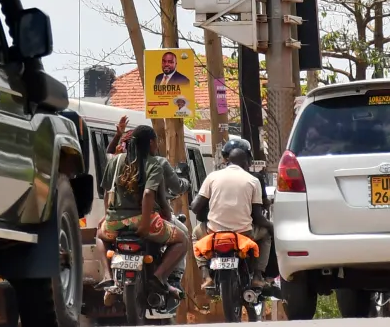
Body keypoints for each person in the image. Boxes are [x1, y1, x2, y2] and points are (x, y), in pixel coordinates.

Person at [102, 123, 188, 311]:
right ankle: (159, 277)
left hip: (115, 222)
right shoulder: (155, 164)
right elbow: (150, 195)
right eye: (156, 141)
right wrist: (144, 222)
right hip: (145, 221)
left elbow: (107, 192)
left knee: (100, 237)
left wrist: (108, 216)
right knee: (183, 240)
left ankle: (108, 277)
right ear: (151, 143)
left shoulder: (115, 162)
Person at [194, 136, 271, 275]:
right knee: (266, 235)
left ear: (226, 160)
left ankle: (205, 275)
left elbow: (195, 207)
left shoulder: (212, 177)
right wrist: (271, 226)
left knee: (195, 234)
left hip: (214, 231)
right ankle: (258, 275)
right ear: (246, 161)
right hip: (243, 232)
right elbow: (258, 217)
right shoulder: (254, 180)